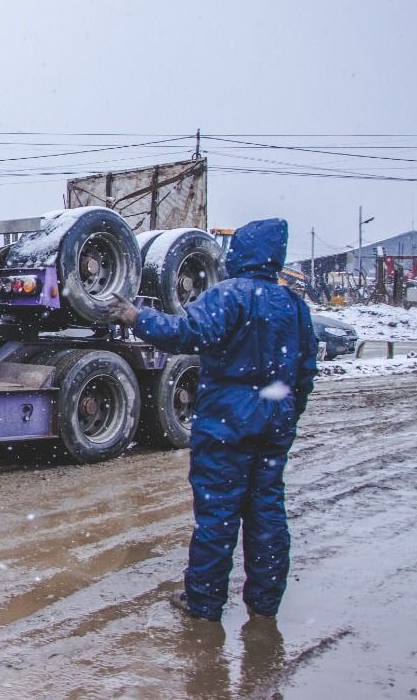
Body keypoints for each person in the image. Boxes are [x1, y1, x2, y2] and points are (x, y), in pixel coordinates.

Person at [108, 218, 318, 622]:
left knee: (217, 517)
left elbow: (185, 333)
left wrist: (136, 316)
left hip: (227, 424)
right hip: (274, 423)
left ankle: (203, 605)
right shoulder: (293, 305)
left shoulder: (229, 296)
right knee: (267, 513)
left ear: (241, 253)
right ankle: (265, 603)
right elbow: (306, 371)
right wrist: (289, 414)